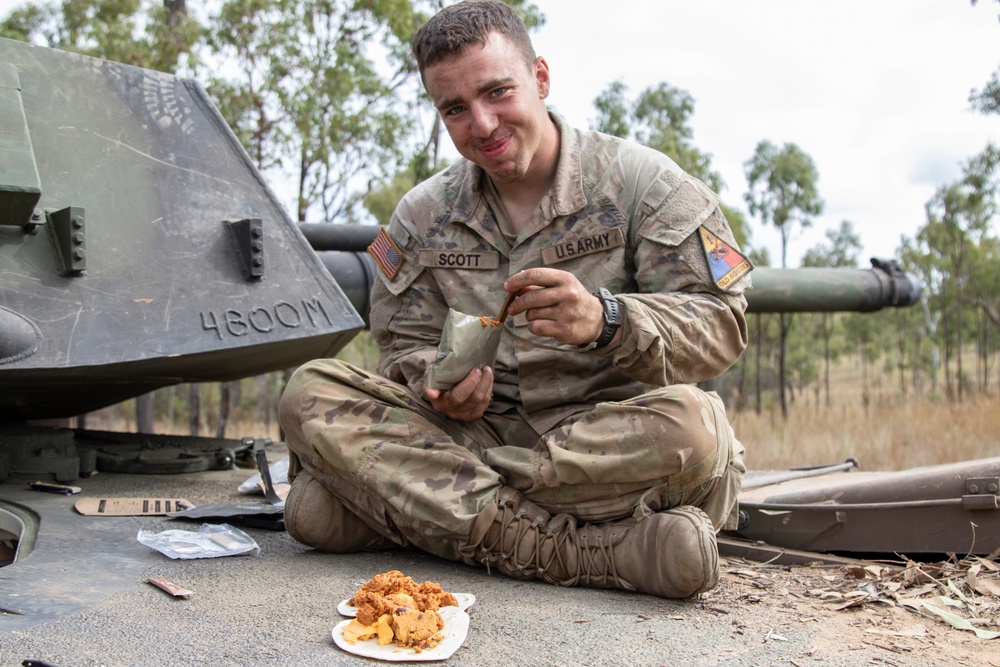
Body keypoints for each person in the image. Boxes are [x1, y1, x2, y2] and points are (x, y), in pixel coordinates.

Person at [279, 0, 751, 599]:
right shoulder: (421, 217)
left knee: (697, 427)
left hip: (604, 447)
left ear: (541, 78)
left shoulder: (646, 187)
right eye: (455, 109)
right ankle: (597, 553)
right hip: (474, 437)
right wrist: (438, 384)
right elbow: (401, 345)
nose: (481, 124)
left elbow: (721, 324)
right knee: (309, 391)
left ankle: (420, 507)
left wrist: (609, 321)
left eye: (498, 92)